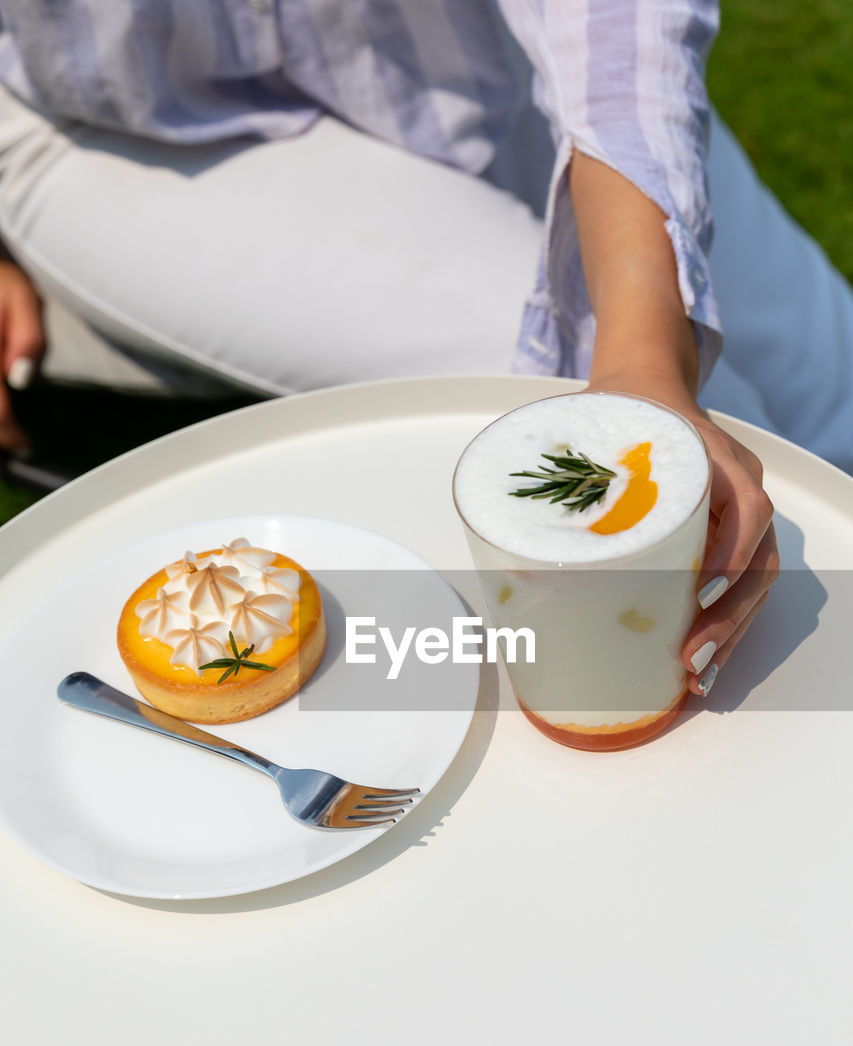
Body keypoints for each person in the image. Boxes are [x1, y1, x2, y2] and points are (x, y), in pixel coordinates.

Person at [3, 0, 843, 698]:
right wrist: (634, 370)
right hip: (129, 123)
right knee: (641, 427)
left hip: (473, 42)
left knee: (826, 398)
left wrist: (647, 353)